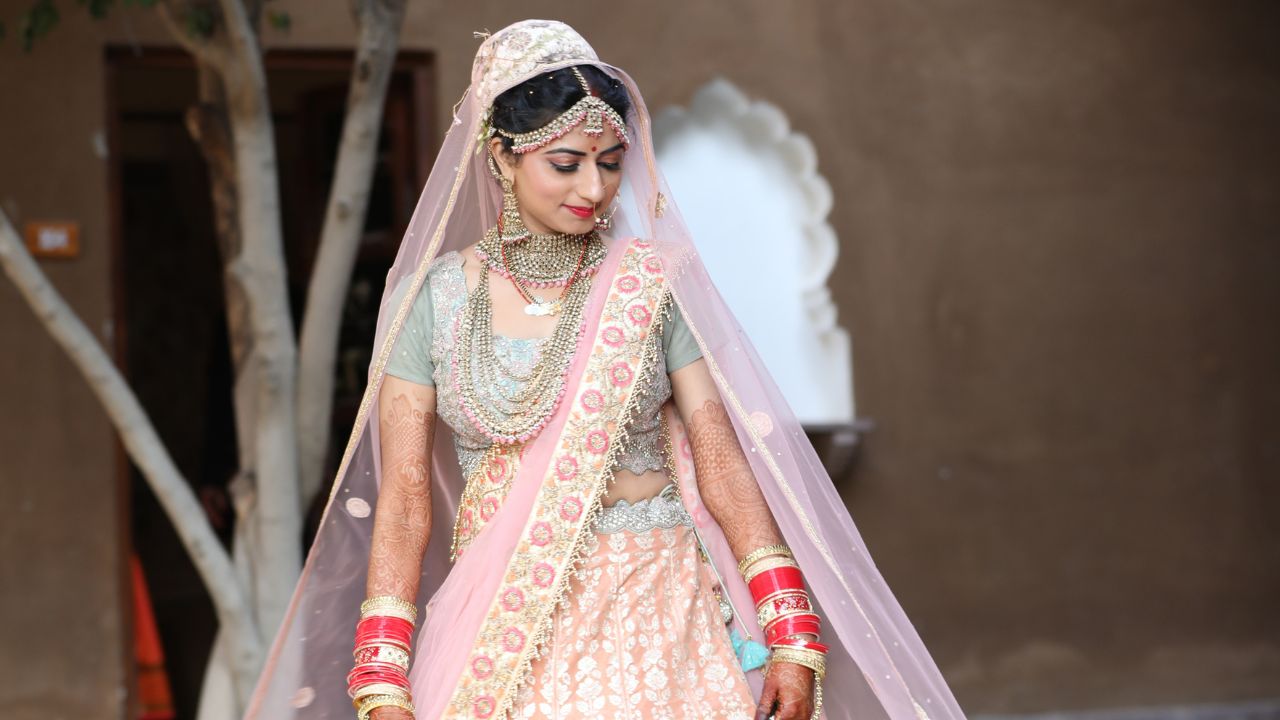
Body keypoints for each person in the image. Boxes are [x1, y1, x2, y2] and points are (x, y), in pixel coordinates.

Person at [243, 19, 967, 720]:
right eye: (566, 164)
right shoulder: (431, 302)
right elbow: (404, 500)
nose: (593, 188)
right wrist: (381, 673)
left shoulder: (650, 284)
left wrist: (791, 629)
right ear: (501, 157)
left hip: (667, 606)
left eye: (611, 162)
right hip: (504, 622)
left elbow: (720, 463)